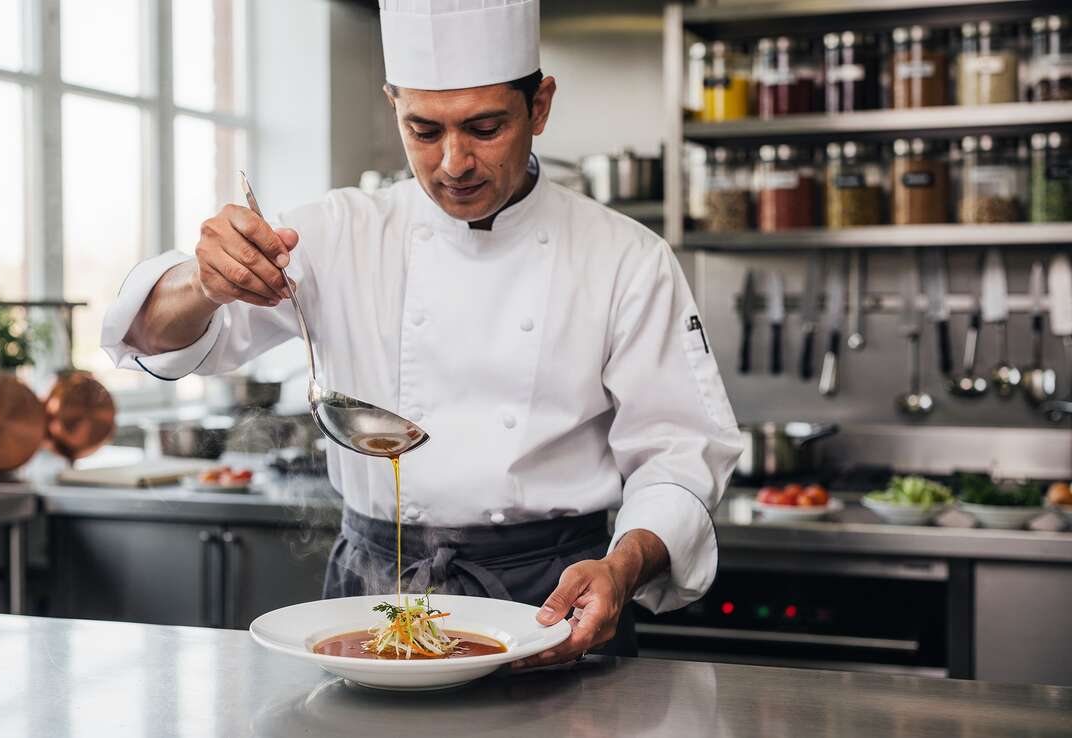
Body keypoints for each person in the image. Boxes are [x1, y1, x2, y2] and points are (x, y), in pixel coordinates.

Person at [103, 0, 742, 668]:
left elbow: (680, 451)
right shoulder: (334, 234)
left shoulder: (626, 257)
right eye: (424, 129)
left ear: (540, 105)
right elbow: (150, 338)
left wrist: (626, 563)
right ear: (393, 106)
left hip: (554, 603)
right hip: (373, 596)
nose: (453, 162)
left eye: (485, 126)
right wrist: (204, 282)